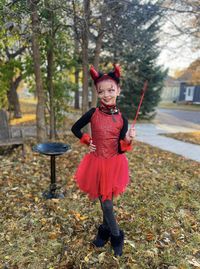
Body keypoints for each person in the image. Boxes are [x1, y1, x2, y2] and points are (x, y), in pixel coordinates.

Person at [71, 64, 136, 256]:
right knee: (104, 203)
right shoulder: (93, 113)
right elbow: (75, 129)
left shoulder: (122, 119)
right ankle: (106, 231)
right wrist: (87, 140)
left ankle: (115, 234)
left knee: (107, 204)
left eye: (111, 90)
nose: (106, 94)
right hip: (96, 163)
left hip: (114, 164)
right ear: (97, 93)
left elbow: (121, 148)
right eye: (101, 91)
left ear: (118, 90)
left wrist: (129, 139)